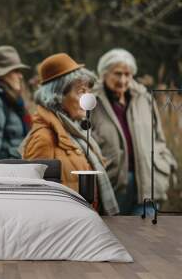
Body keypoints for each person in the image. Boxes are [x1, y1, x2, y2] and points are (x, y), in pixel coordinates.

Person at [22, 53, 119, 215]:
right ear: (58, 96)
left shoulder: (74, 132)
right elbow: (35, 202)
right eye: (81, 91)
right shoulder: (44, 138)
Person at [91, 48, 177, 215]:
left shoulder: (144, 99)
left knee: (146, 238)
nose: (123, 80)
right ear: (104, 74)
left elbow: (158, 139)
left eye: (127, 74)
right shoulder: (91, 102)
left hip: (148, 184)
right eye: (117, 73)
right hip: (112, 186)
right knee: (116, 237)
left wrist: (163, 164)